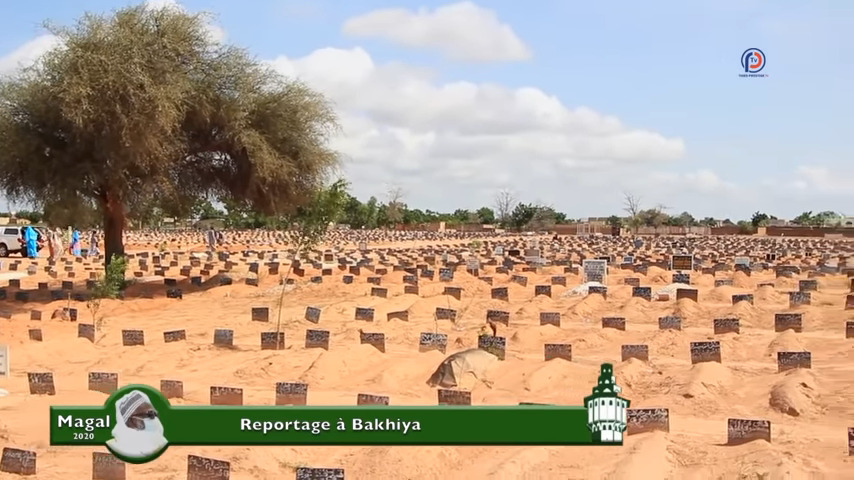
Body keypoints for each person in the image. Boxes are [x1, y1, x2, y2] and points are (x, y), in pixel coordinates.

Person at [106, 390, 168, 459]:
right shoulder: (114, 450)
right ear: (133, 421)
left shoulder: (163, 444)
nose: (154, 419)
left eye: (154, 414)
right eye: (149, 415)